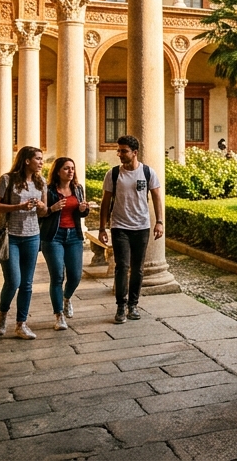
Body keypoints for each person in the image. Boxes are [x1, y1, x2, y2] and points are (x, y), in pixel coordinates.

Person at [99, 134, 165, 324]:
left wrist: (159, 222)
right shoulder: (113, 174)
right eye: (118, 150)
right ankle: (121, 306)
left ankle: (133, 305)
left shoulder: (147, 172)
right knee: (122, 267)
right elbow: (105, 202)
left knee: (137, 269)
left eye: (124, 151)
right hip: (120, 226)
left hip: (141, 226)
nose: (119, 154)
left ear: (134, 152)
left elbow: (156, 198)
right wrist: (103, 228)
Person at [0, 145, 47, 340]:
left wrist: (40, 206)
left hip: (32, 235)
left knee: (27, 283)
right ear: (27, 160)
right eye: (37, 158)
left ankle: (21, 324)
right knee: (13, 281)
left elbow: (44, 212)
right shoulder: (8, 179)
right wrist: (18, 206)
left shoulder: (41, 182)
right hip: (9, 236)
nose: (41, 162)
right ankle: (3, 314)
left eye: (41, 158)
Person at [42, 156, 91, 331]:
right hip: (53, 236)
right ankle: (59, 316)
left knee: (76, 276)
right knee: (57, 277)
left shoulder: (78, 189)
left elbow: (82, 214)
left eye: (72, 168)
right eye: (66, 168)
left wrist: (83, 210)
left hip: (74, 236)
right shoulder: (48, 191)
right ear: (57, 171)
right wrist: (51, 209)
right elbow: (40, 213)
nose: (70, 171)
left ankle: (66, 298)